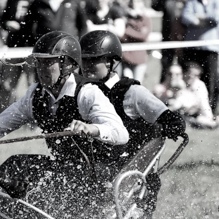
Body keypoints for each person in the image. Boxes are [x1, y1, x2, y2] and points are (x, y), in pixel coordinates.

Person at [0, 31, 128, 217]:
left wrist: (92, 128)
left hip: (95, 177)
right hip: (63, 170)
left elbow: (121, 134)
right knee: (16, 164)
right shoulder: (35, 96)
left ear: (67, 65)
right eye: (38, 62)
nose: (40, 69)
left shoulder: (87, 93)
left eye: (48, 63)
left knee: (33, 176)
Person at [79, 30, 186, 158]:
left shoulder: (133, 92)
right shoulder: (81, 92)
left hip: (129, 165)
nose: (86, 65)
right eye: (84, 60)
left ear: (111, 62)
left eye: (93, 60)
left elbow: (172, 120)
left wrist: (171, 127)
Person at [181, 0, 219, 112]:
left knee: (211, 81)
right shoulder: (191, 2)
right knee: (190, 80)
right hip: (193, 47)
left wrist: (199, 18)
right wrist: (207, 20)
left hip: (211, 49)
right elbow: (186, 18)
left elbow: (218, 17)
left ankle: (210, 113)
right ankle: (191, 112)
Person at [0, 0, 39, 110]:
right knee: (7, 84)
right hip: (14, 48)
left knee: (33, 85)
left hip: (32, 49)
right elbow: (3, 20)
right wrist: (7, 24)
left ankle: (35, 117)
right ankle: (4, 116)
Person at [151, 0, 194, 73]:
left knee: (185, 68)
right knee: (166, 69)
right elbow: (154, 6)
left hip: (184, 39)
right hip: (168, 38)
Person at [165, 63, 219, 129]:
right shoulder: (179, 82)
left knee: (201, 119)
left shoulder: (199, 85)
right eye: (190, 73)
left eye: (195, 75)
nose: (191, 76)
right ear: (185, 73)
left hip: (194, 113)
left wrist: (209, 117)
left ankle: (213, 123)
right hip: (178, 111)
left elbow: (204, 104)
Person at [121, 0, 152, 84]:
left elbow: (143, 36)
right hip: (126, 57)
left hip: (139, 58)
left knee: (138, 84)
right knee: (128, 84)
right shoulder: (124, 17)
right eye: (132, 1)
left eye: (138, 1)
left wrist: (127, 30)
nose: (135, 3)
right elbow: (121, 35)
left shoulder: (145, 19)